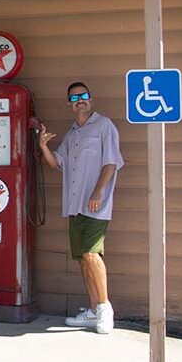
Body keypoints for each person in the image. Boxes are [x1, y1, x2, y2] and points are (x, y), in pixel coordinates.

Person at [38, 81, 124, 334]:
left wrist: (98, 191)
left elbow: (112, 162)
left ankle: (105, 307)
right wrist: (43, 145)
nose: (80, 100)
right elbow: (57, 164)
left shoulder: (104, 126)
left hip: (96, 203)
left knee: (90, 253)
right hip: (74, 205)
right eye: (74, 97)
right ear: (69, 104)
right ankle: (93, 309)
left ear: (91, 99)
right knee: (83, 260)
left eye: (84, 95)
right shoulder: (72, 134)